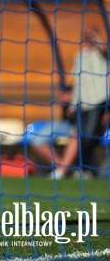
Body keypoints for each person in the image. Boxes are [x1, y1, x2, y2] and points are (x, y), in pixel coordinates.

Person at [53, 26, 109, 179]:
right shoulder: (80, 56)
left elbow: (104, 48)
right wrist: (72, 103)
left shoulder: (102, 54)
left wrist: (96, 35)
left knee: (89, 136)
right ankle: (82, 169)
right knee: (81, 136)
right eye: (86, 36)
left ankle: (86, 169)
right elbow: (77, 81)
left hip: (98, 101)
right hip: (81, 102)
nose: (88, 38)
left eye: (90, 36)